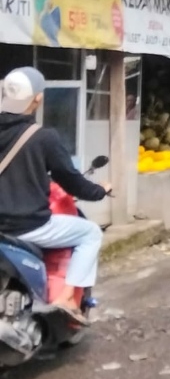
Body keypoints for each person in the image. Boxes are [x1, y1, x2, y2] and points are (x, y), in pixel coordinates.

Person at [0, 67, 111, 324]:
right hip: (28, 227)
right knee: (90, 233)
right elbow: (74, 183)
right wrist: (100, 190)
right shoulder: (43, 138)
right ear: (37, 99)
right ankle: (68, 300)